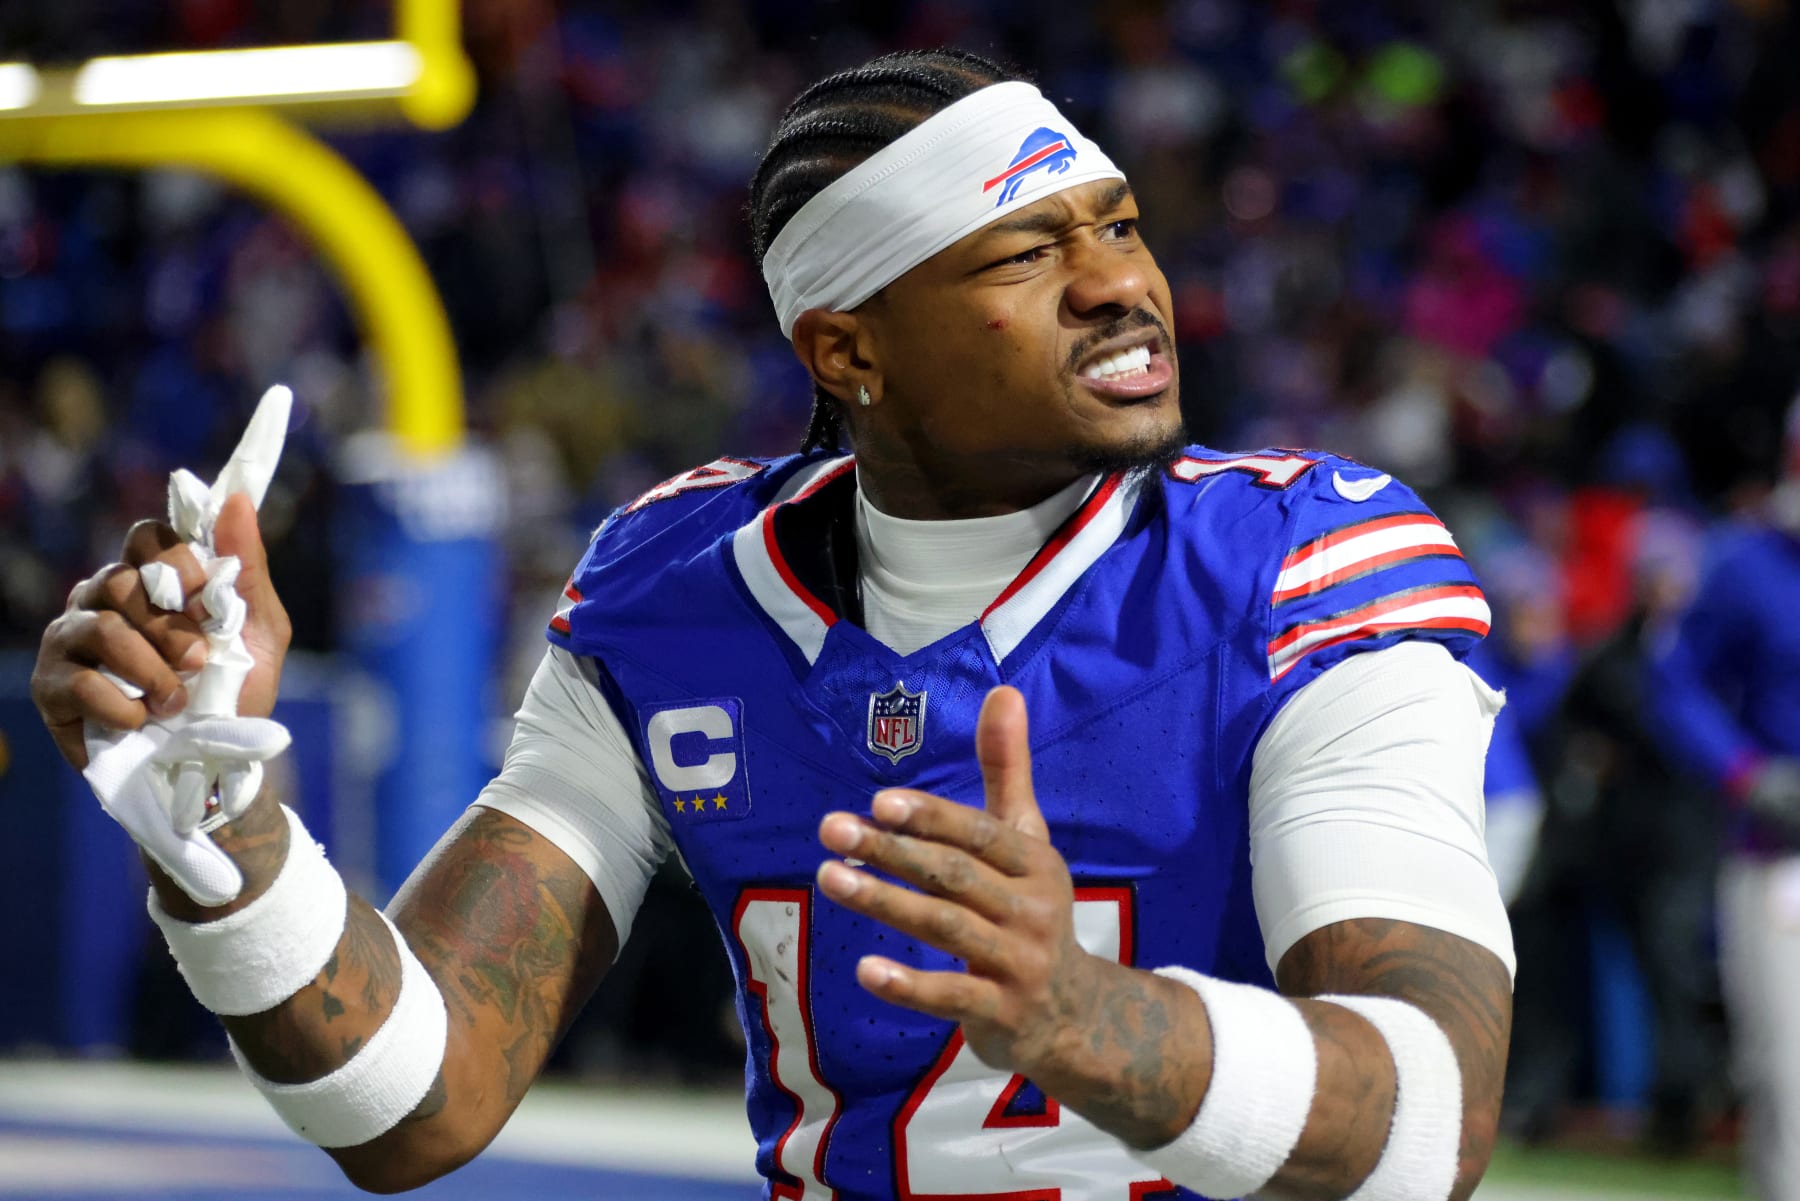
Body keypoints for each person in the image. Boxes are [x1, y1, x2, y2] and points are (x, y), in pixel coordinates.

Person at [32, 49, 1514, 1201]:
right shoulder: (676, 598)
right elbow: (409, 1103)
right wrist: (219, 826)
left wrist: (1092, 1018)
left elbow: (1431, 1116)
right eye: (1026, 255)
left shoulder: (1299, 564)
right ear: (847, 348)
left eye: (1119, 227)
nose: (1122, 283)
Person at [1651, 401, 1800, 1199]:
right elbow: (1672, 683)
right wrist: (1745, 771)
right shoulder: (1747, 562)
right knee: (1790, 1079)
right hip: (1780, 855)